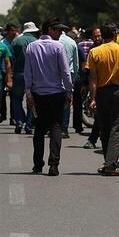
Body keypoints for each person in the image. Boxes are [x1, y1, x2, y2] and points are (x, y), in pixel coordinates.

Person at [88, 23, 119, 176]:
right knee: (115, 128)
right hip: (118, 92)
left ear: (102, 36)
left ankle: (108, 163)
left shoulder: (94, 52)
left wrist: (93, 98)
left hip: (102, 92)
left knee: (104, 128)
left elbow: (93, 78)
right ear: (116, 35)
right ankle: (110, 165)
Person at [24, 20, 73, 176]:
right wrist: (69, 91)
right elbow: (65, 72)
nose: (60, 33)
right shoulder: (58, 47)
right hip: (56, 94)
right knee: (56, 127)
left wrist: (29, 93)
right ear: (50, 30)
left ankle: (38, 164)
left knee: (39, 129)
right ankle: (54, 165)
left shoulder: (32, 47)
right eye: (58, 30)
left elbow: (28, 72)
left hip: (38, 94)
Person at [11, 22, 40, 134]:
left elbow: (12, 58)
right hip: (32, 75)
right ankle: (29, 125)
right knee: (32, 99)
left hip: (18, 73)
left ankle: (19, 121)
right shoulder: (36, 42)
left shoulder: (16, 41)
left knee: (17, 99)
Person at [82, 27, 103, 149]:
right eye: (95, 36)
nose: (97, 38)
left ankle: (95, 139)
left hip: (110, 86)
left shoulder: (108, 47)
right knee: (99, 115)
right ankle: (93, 139)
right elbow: (88, 71)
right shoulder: (92, 50)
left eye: (99, 36)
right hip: (97, 86)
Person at [59, 29, 79, 138]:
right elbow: (76, 64)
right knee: (67, 101)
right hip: (69, 74)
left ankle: (53, 127)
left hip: (56, 75)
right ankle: (64, 129)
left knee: (55, 101)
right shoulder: (71, 42)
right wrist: (74, 77)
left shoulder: (54, 41)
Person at [1, 23, 18, 124]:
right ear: (7, 31)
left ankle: (13, 117)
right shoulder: (3, 43)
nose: (14, 32)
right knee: (2, 96)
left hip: (13, 72)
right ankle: (3, 114)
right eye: (12, 30)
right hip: (4, 72)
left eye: (15, 30)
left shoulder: (15, 42)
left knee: (14, 96)